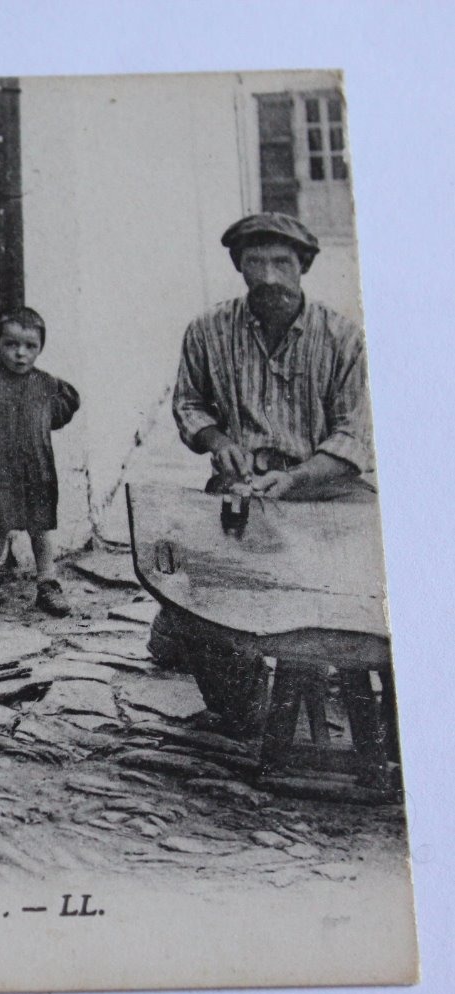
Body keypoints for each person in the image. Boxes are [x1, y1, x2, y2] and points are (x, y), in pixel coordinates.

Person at [152, 211, 376, 728]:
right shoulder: (208, 329)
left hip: (324, 488)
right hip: (242, 488)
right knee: (197, 584)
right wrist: (217, 439)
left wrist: (297, 480)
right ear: (240, 266)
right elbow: (189, 403)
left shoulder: (343, 337)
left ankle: (341, 672)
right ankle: (232, 697)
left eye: (282, 262)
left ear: (303, 265)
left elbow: (353, 435)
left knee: (364, 579)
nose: (270, 276)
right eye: (256, 262)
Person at [0, 307, 81, 616]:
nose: (20, 354)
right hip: (1, 470)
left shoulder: (48, 385)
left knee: (40, 528)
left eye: (30, 346)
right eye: (11, 344)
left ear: (41, 347)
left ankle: (47, 583)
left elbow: (60, 414)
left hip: (37, 470)